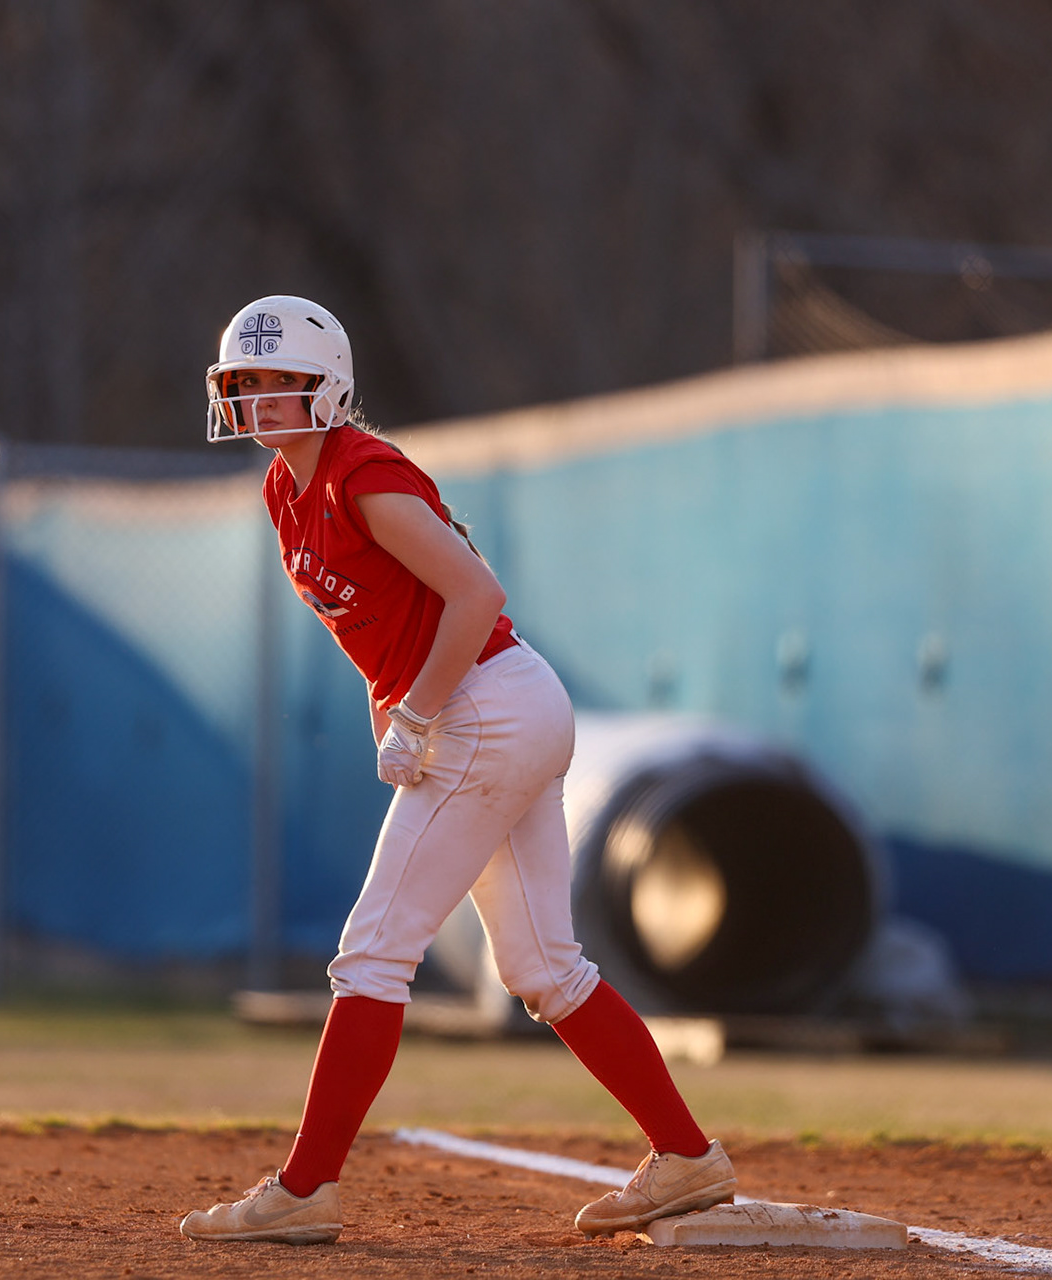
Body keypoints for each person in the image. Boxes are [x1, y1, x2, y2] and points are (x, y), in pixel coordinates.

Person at [180, 295, 737, 1245]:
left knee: (373, 953)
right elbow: (379, 626)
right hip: (495, 708)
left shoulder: (362, 470)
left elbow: (476, 594)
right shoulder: (284, 489)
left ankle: (306, 1189)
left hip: (489, 701)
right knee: (544, 967)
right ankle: (686, 1157)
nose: (262, 401)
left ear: (330, 389)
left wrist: (426, 712)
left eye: (282, 383)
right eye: (247, 384)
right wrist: (391, 710)